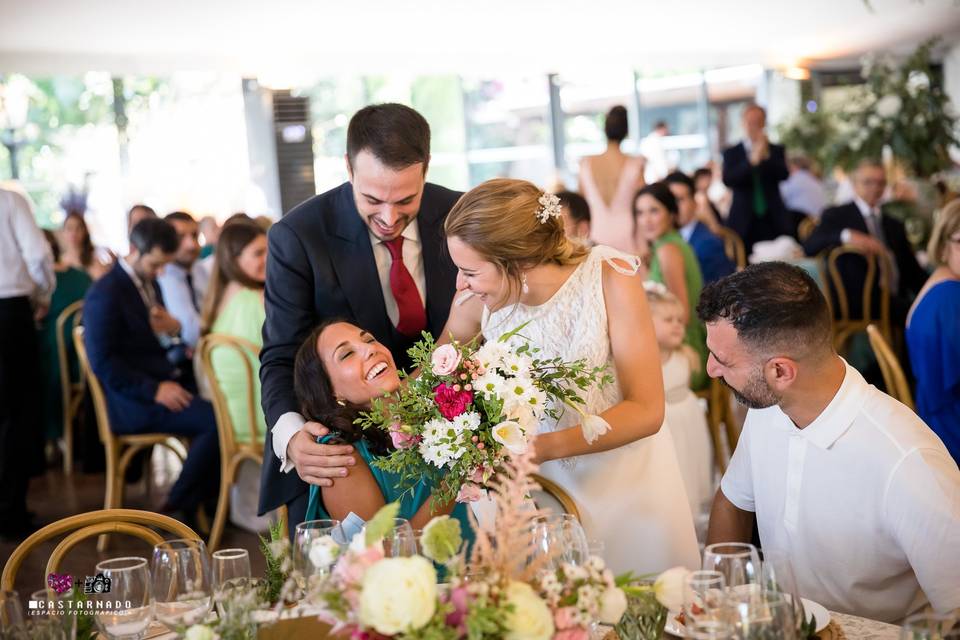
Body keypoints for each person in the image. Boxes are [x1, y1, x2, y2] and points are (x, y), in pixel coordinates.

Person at [440, 178, 699, 574]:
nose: (460, 284)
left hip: (629, 488)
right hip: (540, 500)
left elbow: (647, 409)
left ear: (516, 262)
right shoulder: (475, 302)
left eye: (469, 271)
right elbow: (431, 384)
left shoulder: (610, 277)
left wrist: (538, 449)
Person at [701, 262, 960, 623]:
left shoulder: (908, 462)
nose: (711, 369)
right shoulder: (769, 410)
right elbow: (732, 499)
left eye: (722, 360)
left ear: (780, 371)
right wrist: (722, 602)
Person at [258, 103, 462, 535]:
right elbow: (280, 356)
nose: (389, 218)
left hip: (451, 442)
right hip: (350, 454)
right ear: (348, 167)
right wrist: (293, 434)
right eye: (372, 199)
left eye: (406, 199)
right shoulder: (299, 236)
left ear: (426, 167)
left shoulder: (459, 215)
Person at [83, 218, 219, 521]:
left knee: (222, 408)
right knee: (215, 421)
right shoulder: (106, 292)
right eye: (156, 264)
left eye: (164, 266)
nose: (161, 273)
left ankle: (206, 503)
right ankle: (175, 507)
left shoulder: (145, 282)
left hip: (155, 381)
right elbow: (103, 362)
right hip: (132, 400)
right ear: (134, 249)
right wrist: (155, 389)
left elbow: (146, 341)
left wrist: (173, 330)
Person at [297, 321, 474, 543]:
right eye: (347, 354)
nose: (370, 349)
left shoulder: (435, 412)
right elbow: (385, 555)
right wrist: (459, 478)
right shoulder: (338, 459)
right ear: (332, 391)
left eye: (369, 339)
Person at [199, 219, 270, 532]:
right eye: (258, 253)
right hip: (260, 422)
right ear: (234, 259)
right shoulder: (256, 299)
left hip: (232, 422)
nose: (267, 258)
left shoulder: (219, 298)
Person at [803, 159, 927, 323]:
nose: (875, 188)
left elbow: (912, 269)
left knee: (929, 309)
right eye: (868, 182)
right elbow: (810, 246)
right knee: (918, 315)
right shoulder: (837, 215)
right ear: (855, 184)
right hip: (857, 299)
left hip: (895, 295)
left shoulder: (893, 224)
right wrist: (846, 235)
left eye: (881, 183)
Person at [0, 185, 55, 540]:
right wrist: (43, 292)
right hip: (9, 312)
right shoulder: (9, 200)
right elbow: (38, 256)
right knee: (15, 412)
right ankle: (10, 513)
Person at [646, 283, 713, 527]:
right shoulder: (644, 360)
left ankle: (690, 516)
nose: (677, 324)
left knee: (689, 466)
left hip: (687, 419)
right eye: (668, 319)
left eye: (679, 319)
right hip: (664, 424)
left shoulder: (686, 356)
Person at [633, 182, 708, 390]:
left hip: (684, 351)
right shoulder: (665, 246)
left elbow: (682, 315)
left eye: (654, 211)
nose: (646, 220)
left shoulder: (668, 250)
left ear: (671, 214)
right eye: (640, 213)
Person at [907, 200, 960, 464]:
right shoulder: (950, 298)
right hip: (948, 426)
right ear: (943, 246)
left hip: (931, 411)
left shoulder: (940, 281)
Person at [38, 229, 92, 445]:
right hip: (87, 358)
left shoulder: (42, 282)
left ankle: (49, 437)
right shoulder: (81, 275)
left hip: (61, 363)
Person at [722, 104, 792, 254]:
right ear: (743, 123)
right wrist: (751, 162)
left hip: (772, 217)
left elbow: (784, 175)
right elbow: (728, 180)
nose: (754, 126)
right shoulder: (731, 152)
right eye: (750, 122)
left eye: (758, 122)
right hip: (743, 219)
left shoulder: (775, 150)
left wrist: (765, 156)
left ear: (764, 124)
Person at [578, 106, 645, 253]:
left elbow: (581, 204)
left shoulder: (585, 163)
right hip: (628, 233)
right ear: (626, 131)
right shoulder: (635, 164)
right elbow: (642, 204)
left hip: (596, 233)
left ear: (605, 129)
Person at [664, 171, 735, 284]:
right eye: (669, 201)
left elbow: (724, 292)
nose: (674, 207)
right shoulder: (666, 240)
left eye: (680, 199)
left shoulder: (709, 244)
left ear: (694, 202)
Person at [157, 211, 208, 349]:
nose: (191, 245)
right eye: (180, 237)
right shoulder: (161, 276)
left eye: (194, 235)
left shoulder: (199, 269)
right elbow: (191, 333)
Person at [60, 212, 111, 280]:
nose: (74, 233)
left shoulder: (94, 260)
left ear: (85, 231)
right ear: (63, 232)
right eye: (69, 228)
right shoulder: (59, 261)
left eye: (78, 228)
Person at [780, 154, 827, 219]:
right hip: (818, 223)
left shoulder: (792, 180)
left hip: (800, 224)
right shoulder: (815, 181)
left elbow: (779, 197)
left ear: (793, 166)